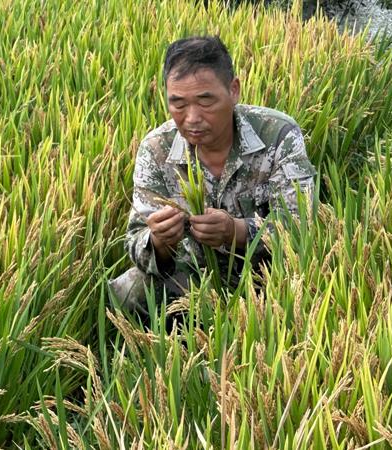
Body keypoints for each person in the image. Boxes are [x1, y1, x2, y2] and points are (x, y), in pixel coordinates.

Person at [108, 36, 316, 323]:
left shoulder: (277, 135)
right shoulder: (156, 149)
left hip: (266, 272)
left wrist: (237, 231)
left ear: (233, 90)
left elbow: (302, 227)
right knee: (126, 291)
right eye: (178, 103)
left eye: (205, 101)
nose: (192, 118)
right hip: (194, 272)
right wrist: (159, 243)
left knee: (305, 299)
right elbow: (135, 241)